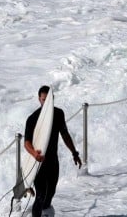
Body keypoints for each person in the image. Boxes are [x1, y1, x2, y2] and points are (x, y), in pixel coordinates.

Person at [23, 85, 82, 217]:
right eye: (43, 100)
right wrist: (34, 153)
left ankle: (44, 213)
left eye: (49, 99)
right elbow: (26, 143)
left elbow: (65, 135)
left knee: (50, 194)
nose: (46, 102)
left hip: (53, 161)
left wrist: (74, 153)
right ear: (39, 99)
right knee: (40, 194)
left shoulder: (59, 114)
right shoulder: (32, 118)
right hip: (39, 162)